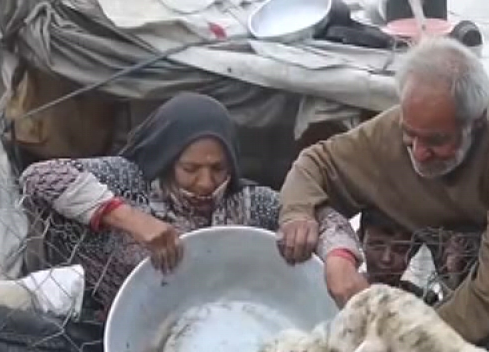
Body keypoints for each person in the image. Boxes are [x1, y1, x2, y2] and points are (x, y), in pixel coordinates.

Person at [274, 37, 489, 351]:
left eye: (437, 140)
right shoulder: (393, 131)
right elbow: (315, 165)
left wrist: (409, 343)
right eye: (411, 135)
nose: (420, 153)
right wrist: (302, 217)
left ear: (476, 123)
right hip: (459, 299)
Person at [21, 92, 361, 318]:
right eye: (190, 169)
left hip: (218, 326)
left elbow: (325, 218)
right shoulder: (131, 181)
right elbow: (39, 177)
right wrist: (128, 218)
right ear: (167, 159)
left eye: (218, 168)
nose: (205, 182)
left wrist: (336, 255)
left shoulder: (248, 204)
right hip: (114, 328)